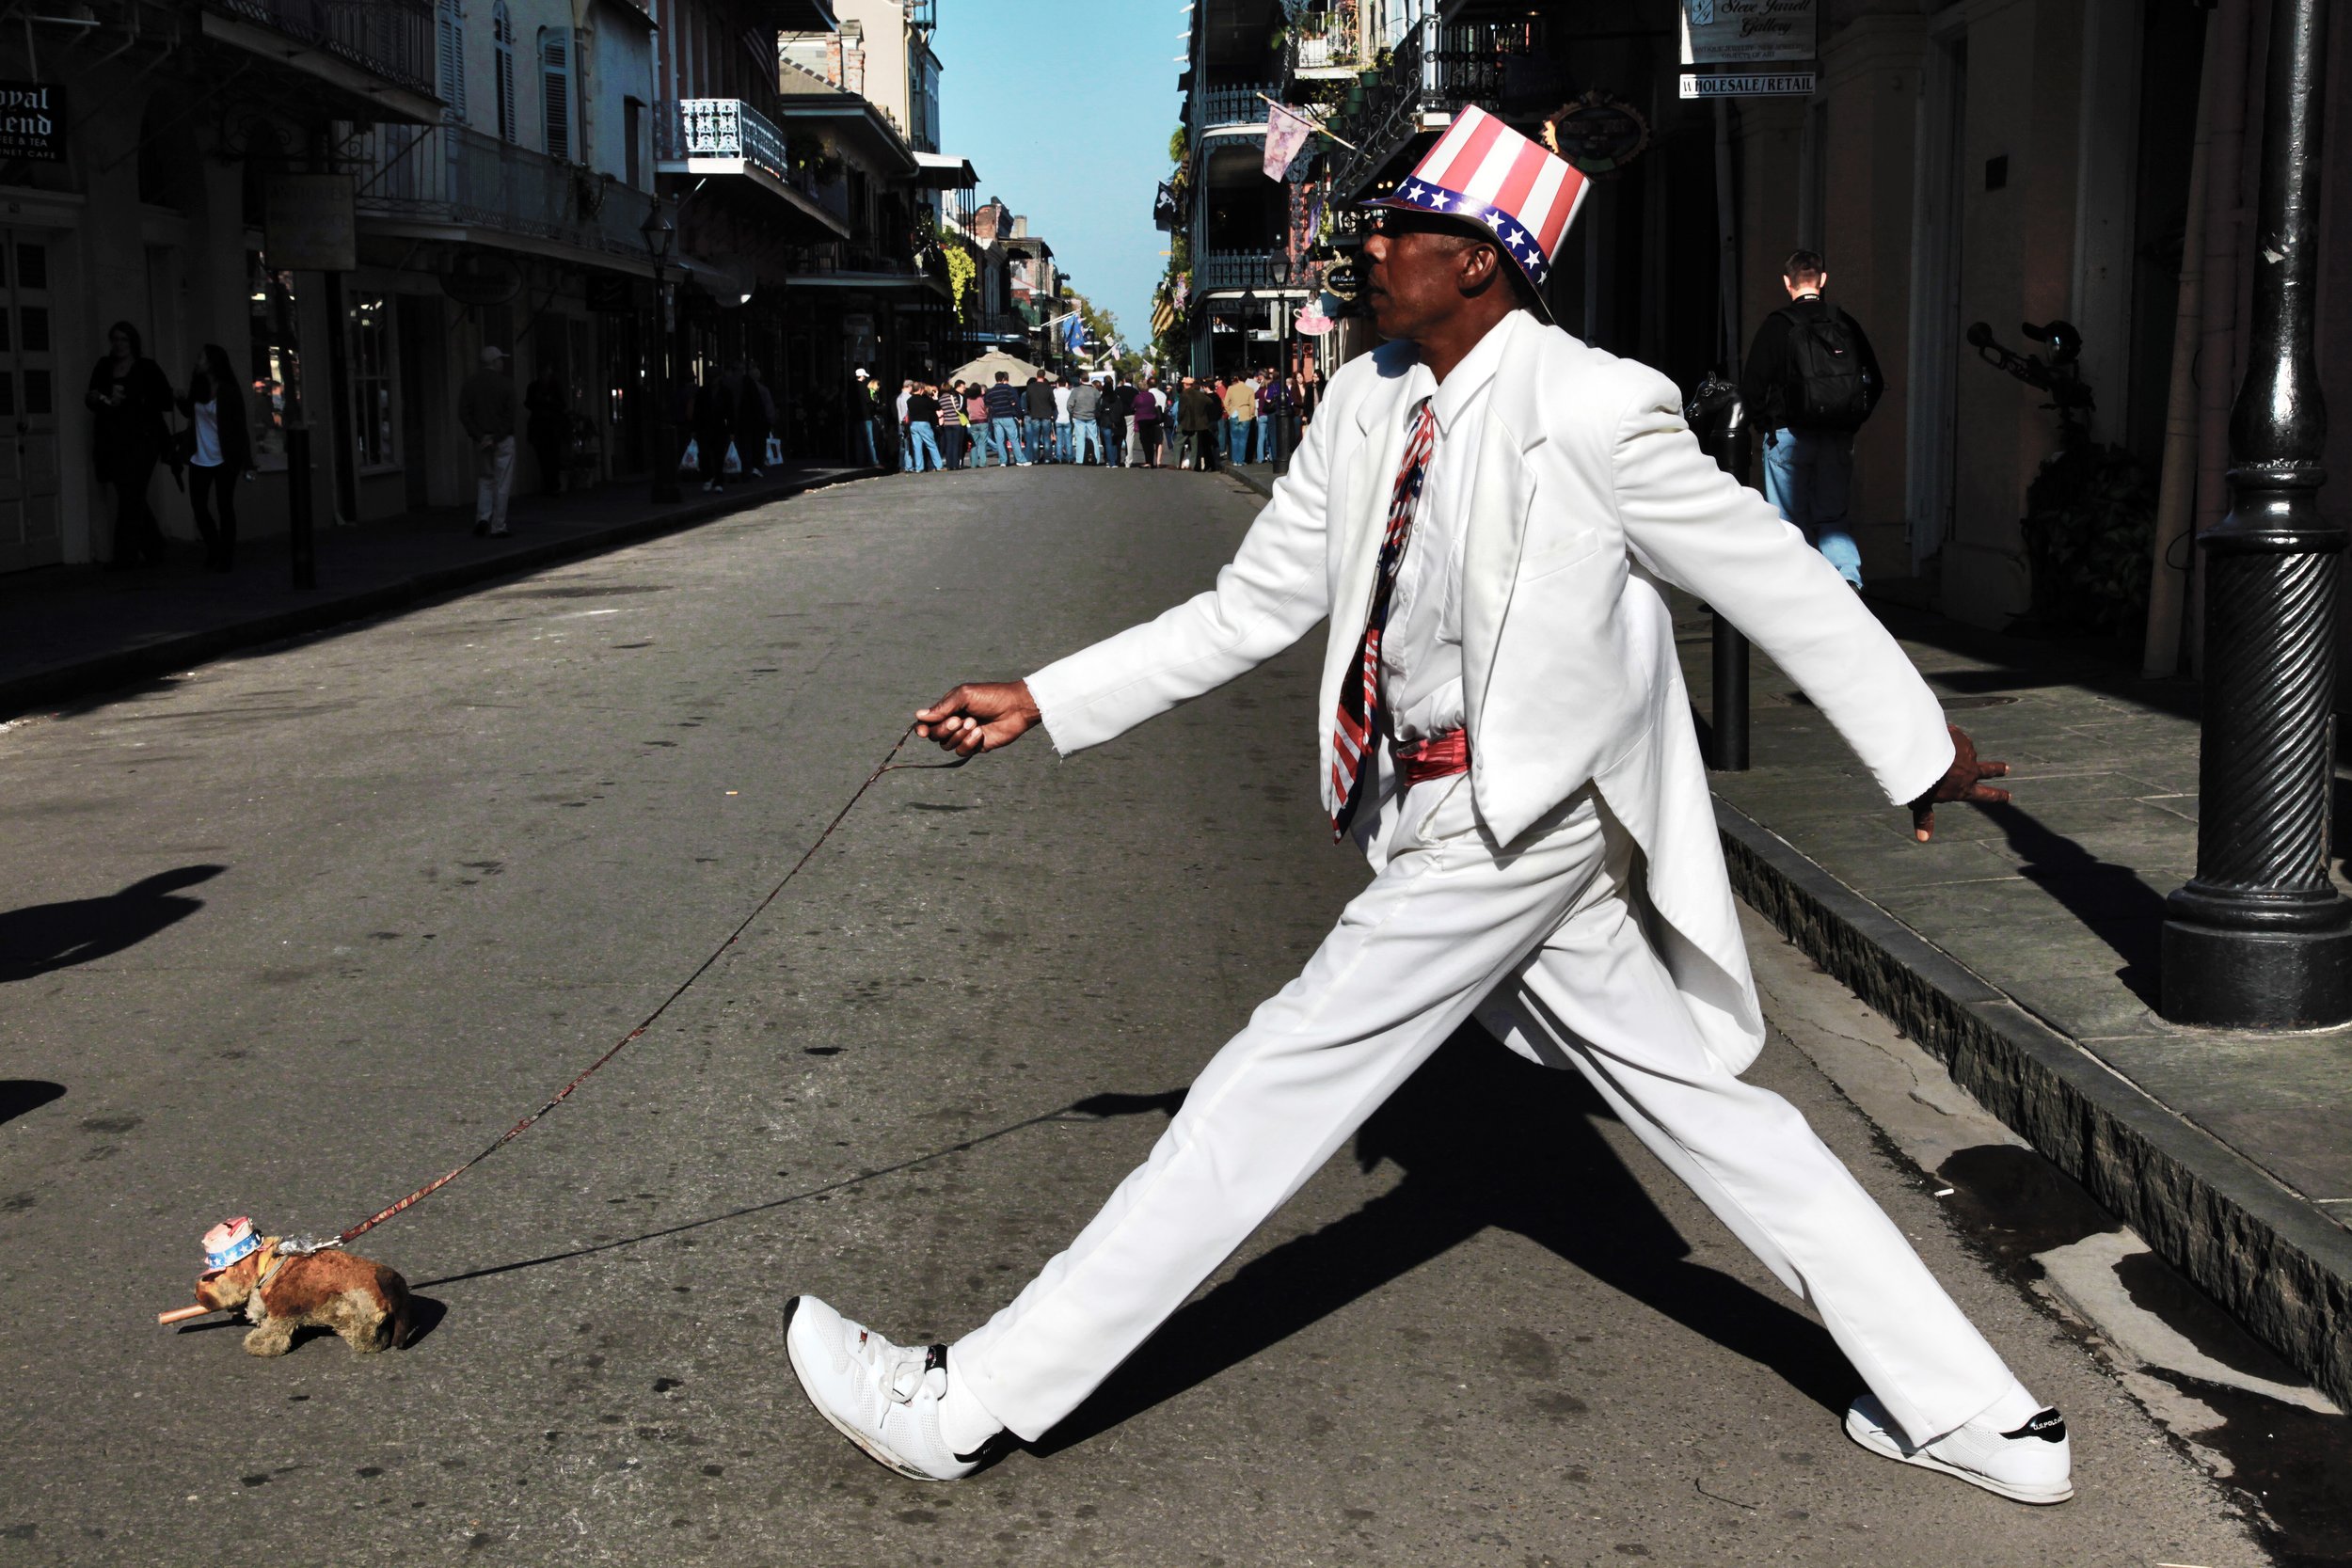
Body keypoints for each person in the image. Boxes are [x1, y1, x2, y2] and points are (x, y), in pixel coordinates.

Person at [785, 105, 2068, 1512]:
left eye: (1403, 228)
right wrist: (1046, 694)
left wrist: (1913, 739)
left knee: (1266, 1089)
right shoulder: (1362, 403)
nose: (1371, 245)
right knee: (1724, 1122)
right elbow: (1249, 607)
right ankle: (1982, 1411)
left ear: (1485, 264)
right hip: (1455, 813)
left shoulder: (1593, 406)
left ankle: (964, 1402)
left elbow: (1767, 570)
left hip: (1516, 818)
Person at [1740, 249, 1883, 590]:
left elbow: (1753, 385)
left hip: (1788, 434)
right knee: (1832, 517)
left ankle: (1801, 590)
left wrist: (1764, 425)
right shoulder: (1845, 322)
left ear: (1787, 282)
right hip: (1836, 435)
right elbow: (1874, 380)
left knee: (1789, 521)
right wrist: (1851, 422)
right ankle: (1847, 577)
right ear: (1823, 280)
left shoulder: (1778, 325)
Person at [84, 320, 174, 568]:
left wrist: (136, 400)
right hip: (113, 441)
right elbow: (92, 397)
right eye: (115, 339)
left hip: (142, 440)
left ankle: (125, 555)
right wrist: (98, 399)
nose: (119, 344)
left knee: (131, 494)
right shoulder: (104, 366)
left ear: (132, 342)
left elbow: (165, 400)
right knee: (129, 494)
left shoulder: (146, 368)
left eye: (124, 339)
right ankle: (154, 547)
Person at [175, 342, 252, 571]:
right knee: (198, 505)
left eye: (201, 357)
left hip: (225, 457)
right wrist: (180, 400)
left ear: (212, 363)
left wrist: (248, 463)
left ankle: (226, 555)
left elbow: (240, 427)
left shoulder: (229, 390)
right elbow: (191, 411)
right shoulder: (198, 386)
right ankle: (214, 547)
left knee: (224, 505)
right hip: (200, 456)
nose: (197, 361)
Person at [458, 344, 519, 536]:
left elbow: (464, 413)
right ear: (494, 362)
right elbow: (510, 416)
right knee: (502, 483)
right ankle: (498, 525)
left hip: (481, 439)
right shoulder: (506, 384)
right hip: (502, 439)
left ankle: (483, 518)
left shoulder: (470, 384)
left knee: (485, 479)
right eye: (500, 359)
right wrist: (497, 436)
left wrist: (479, 435)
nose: (502, 362)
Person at [524, 366, 569, 498]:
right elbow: (529, 403)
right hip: (543, 426)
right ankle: (550, 484)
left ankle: (552, 484)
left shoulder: (551, 387)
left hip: (550, 426)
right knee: (544, 457)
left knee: (552, 456)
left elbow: (562, 404)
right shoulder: (535, 387)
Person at [691, 368, 735, 494]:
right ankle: (708, 478)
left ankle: (718, 480)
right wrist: (694, 428)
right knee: (704, 454)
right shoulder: (703, 392)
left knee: (719, 456)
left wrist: (731, 430)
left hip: (719, 428)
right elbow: (697, 412)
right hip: (705, 427)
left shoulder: (725, 392)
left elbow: (730, 412)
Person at [738, 364, 776, 480]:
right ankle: (756, 467)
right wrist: (771, 420)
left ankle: (748, 466)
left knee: (747, 444)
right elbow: (768, 406)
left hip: (745, 421)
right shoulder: (763, 390)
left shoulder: (742, 388)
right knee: (758, 445)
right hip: (759, 422)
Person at [1175, 373, 1220, 470]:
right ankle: (1194, 464)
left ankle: (1176, 463)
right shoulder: (1201, 395)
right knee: (1195, 445)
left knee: (1179, 443)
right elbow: (1210, 402)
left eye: (1184, 384)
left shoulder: (1184, 394)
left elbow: (1181, 410)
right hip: (1198, 424)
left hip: (1185, 423)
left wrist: (1179, 419)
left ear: (1187, 385)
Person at [985, 372, 1030, 466]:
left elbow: (988, 406)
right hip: (1007, 416)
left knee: (1000, 440)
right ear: (1003, 379)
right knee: (1013, 439)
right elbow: (1013, 403)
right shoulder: (1008, 390)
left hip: (996, 418)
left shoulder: (991, 391)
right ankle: (1020, 460)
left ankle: (1003, 461)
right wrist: (1019, 416)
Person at [904, 379, 944, 472]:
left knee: (917, 447)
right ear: (921, 389)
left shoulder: (909, 400)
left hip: (913, 424)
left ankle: (919, 467)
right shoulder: (925, 400)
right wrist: (934, 397)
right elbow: (937, 406)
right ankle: (938, 465)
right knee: (931, 445)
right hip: (924, 423)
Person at [1066, 375, 1103, 466]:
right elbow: (1100, 404)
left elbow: (1069, 405)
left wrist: (1073, 413)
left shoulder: (1076, 390)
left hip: (1079, 417)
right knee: (1094, 438)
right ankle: (1096, 458)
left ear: (1080, 380)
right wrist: (1096, 413)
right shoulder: (1095, 391)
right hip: (1091, 416)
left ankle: (1080, 459)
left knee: (1080, 438)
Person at [1221, 372, 1256, 466]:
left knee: (1234, 438)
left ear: (1237, 378)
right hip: (1245, 413)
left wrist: (1230, 411)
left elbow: (1225, 402)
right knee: (1243, 439)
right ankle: (1240, 460)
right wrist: (1251, 415)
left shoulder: (1231, 388)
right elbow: (1252, 405)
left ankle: (1235, 460)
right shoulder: (1250, 390)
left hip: (1234, 413)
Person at [1023, 374, 1057, 465]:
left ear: (1037, 376)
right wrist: (1052, 411)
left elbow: (1028, 401)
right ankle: (1047, 458)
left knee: (1035, 438)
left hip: (1035, 414)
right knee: (1046, 438)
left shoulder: (1030, 388)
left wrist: (1030, 410)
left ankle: (1036, 459)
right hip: (1046, 415)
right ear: (1044, 376)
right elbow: (1052, 401)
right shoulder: (1048, 387)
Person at [852, 368, 881, 467]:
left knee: (858, 441)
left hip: (855, 416)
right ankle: (873, 460)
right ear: (862, 376)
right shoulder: (863, 387)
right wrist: (876, 406)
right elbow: (868, 400)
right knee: (870, 440)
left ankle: (860, 460)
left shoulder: (851, 387)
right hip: (866, 416)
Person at [936, 381, 968, 470]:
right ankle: (955, 464)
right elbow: (958, 409)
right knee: (956, 444)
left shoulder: (941, 399)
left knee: (949, 444)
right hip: (956, 422)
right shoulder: (952, 397)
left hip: (947, 423)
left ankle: (949, 464)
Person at [1052, 374, 1074, 465]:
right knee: (1068, 439)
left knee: (1059, 439)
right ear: (1066, 384)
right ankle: (1069, 457)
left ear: (1058, 384)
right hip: (1068, 418)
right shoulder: (1070, 393)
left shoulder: (1054, 392)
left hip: (1057, 419)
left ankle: (1059, 457)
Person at [897, 379, 917, 473]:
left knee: (903, 447)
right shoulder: (908, 398)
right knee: (908, 446)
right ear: (909, 386)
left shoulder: (899, 397)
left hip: (900, 423)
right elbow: (908, 413)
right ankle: (909, 466)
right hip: (907, 424)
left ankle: (902, 465)